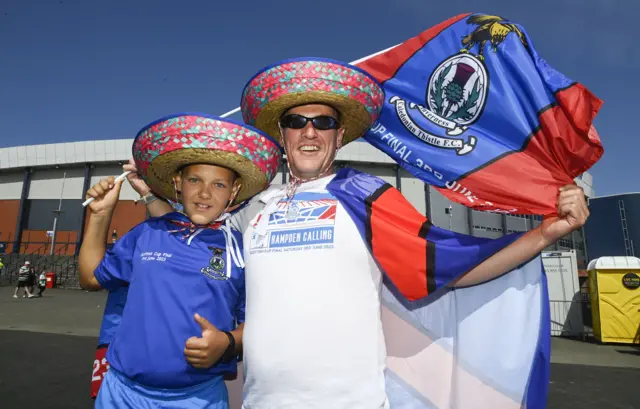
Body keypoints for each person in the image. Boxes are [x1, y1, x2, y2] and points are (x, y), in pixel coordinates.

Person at [129, 58, 589, 408]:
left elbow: (452, 265)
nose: (310, 132)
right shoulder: (254, 210)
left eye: (323, 122)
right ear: (282, 134)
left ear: (340, 133)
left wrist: (548, 234)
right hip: (261, 401)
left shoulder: (366, 197)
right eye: (296, 122)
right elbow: (195, 225)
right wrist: (152, 192)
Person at [78, 113, 281, 409]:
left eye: (219, 185)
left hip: (198, 398)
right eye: (194, 180)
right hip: (122, 393)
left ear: (234, 191)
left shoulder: (242, 250)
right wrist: (99, 215)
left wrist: (228, 342)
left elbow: (261, 322)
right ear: (178, 183)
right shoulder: (147, 233)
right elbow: (91, 278)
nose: (204, 193)